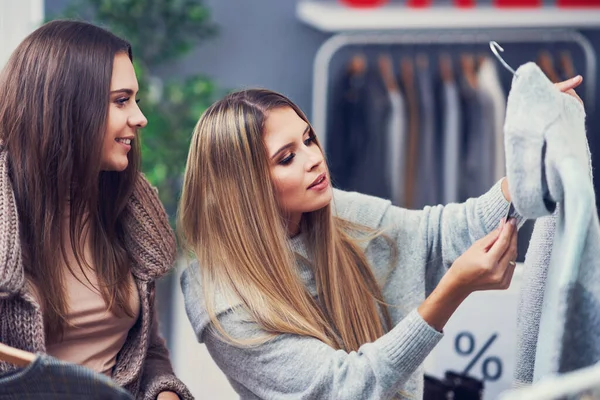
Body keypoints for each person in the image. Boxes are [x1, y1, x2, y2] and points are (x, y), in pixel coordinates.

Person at [178, 80, 582, 399]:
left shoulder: (332, 211)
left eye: (307, 139)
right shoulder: (225, 302)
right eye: (287, 158)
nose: (314, 158)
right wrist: (451, 291)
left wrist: (529, 166)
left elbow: (437, 235)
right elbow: (344, 389)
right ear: (243, 187)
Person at [0, 20, 191, 400]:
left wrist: (165, 394)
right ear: (66, 107)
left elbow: (146, 351)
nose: (139, 118)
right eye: (121, 100)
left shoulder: (127, 212)